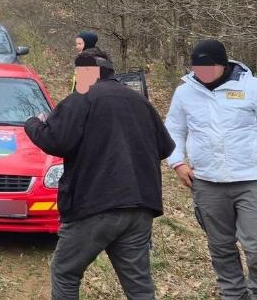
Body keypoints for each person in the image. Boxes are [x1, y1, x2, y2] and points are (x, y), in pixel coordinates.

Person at [24, 49, 175, 300]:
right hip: (140, 207)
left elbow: (55, 140)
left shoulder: (81, 99)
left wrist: (34, 124)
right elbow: (165, 148)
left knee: (65, 273)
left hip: (92, 206)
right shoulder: (140, 102)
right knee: (139, 286)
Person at [165, 39, 257, 300]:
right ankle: (234, 294)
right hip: (207, 183)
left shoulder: (252, 88)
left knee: (256, 246)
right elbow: (173, 129)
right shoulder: (184, 93)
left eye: (208, 68)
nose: (202, 73)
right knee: (221, 246)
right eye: (197, 68)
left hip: (252, 180)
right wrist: (177, 162)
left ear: (223, 64)